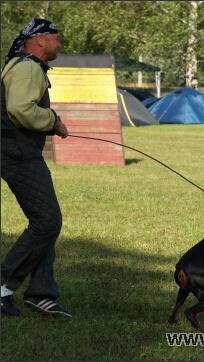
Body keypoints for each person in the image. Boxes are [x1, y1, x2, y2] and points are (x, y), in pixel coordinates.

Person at [1, 19, 70, 317]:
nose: (59, 43)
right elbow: (20, 109)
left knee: (44, 219)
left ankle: (41, 292)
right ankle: (4, 285)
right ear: (39, 40)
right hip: (18, 153)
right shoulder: (28, 67)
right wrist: (52, 120)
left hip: (18, 150)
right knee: (47, 222)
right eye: (55, 37)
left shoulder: (22, 65)